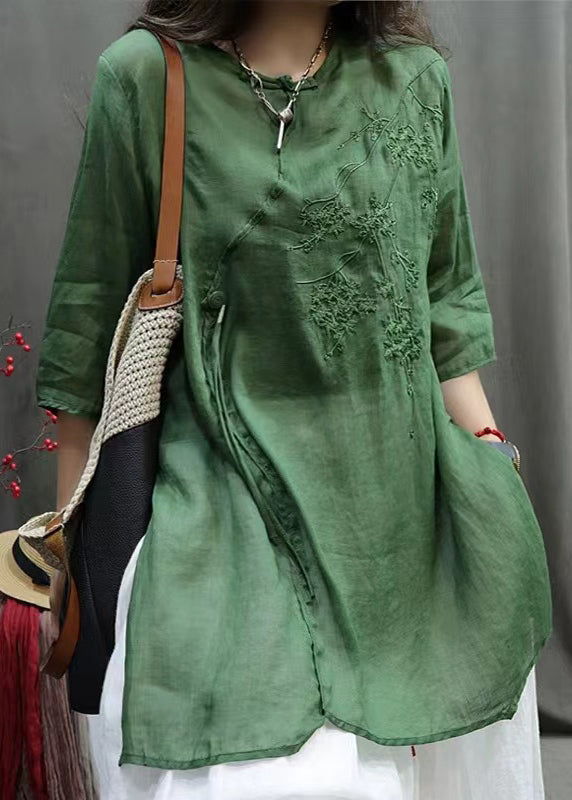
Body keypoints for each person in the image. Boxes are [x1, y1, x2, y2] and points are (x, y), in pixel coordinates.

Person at [35, 1, 553, 798]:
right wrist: (66, 560)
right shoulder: (145, 80)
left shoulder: (415, 81)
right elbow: (87, 336)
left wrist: (493, 475)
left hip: (404, 527)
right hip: (224, 518)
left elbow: (445, 307)